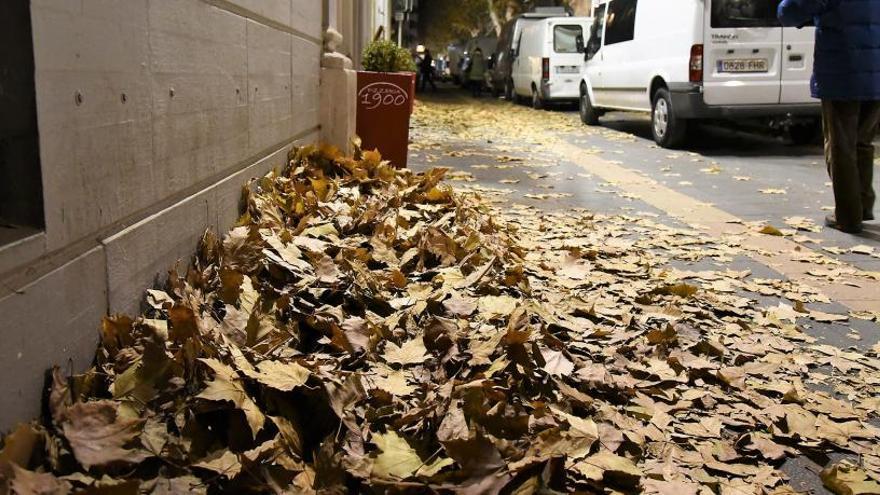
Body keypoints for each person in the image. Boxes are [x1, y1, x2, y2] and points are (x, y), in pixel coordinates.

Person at [778, 0, 880, 234]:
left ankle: (847, 216)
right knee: (862, 141)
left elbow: (790, 11)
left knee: (840, 146)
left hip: (843, 69)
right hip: (875, 70)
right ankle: (862, 205)